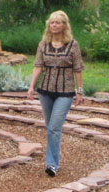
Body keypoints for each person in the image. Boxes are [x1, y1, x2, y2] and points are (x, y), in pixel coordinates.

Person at [27, 10, 84, 177]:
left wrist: (79, 92)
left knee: (54, 128)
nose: (54, 25)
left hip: (65, 92)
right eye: (52, 22)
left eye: (57, 22)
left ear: (64, 25)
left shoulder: (73, 45)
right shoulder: (43, 44)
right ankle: (52, 160)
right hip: (45, 91)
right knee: (50, 127)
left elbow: (78, 69)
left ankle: (51, 164)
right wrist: (31, 87)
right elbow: (38, 66)